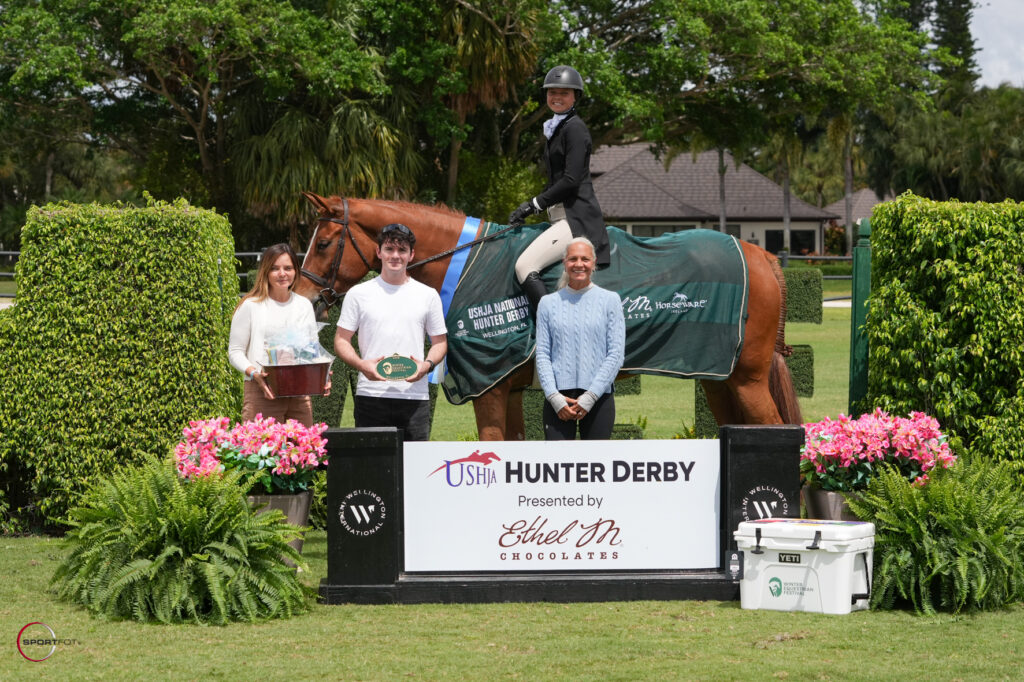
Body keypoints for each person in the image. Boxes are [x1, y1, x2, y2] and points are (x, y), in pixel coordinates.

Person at [509, 65, 610, 311]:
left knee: (524, 266)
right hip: (560, 216)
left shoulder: (574, 128)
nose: (557, 97)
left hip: (576, 219)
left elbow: (571, 180)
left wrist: (532, 205)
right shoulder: (558, 128)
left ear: (575, 97)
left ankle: (553, 323)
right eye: (552, 92)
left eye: (564, 93)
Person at [334, 223, 448, 442]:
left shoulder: (428, 295)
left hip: (415, 397)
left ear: (411, 255)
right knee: (372, 470)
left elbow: (440, 342)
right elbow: (341, 340)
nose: (395, 256)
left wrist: (426, 366)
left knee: (414, 471)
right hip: (371, 396)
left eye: (402, 250)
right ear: (379, 252)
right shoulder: (358, 294)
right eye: (389, 249)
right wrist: (361, 365)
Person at [535, 237, 625, 440]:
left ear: (593, 263)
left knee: (596, 468)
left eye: (585, 259)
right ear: (564, 263)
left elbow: (616, 354)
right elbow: (542, 354)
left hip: (599, 396)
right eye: (572, 259)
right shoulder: (547, 303)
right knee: (557, 469)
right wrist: (553, 397)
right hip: (558, 400)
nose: (579, 264)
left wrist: (591, 396)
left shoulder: (610, 300)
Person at [228, 243, 328, 425]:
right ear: (265, 271)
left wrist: (322, 375)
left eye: (288, 268)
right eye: (275, 268)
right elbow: (235, 352)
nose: (282, 274)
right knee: (261, 452)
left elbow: (312, 349)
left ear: (296, 271)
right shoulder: (250, 305)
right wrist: (255, 374)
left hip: (300, 394)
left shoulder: (304, 305)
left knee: (302, 451)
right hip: (262, 391)